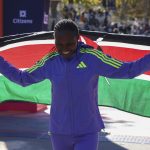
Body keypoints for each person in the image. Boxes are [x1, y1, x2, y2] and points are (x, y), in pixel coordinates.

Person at [0, 19, 150, 150]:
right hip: (59, 133)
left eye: (70, 43)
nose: (64, 48)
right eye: (59, 44)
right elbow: (22, 79)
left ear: (78, 39)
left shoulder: (93, 57)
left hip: (87, 132)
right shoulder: (50, 61)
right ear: (54, 41)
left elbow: (128, 71)